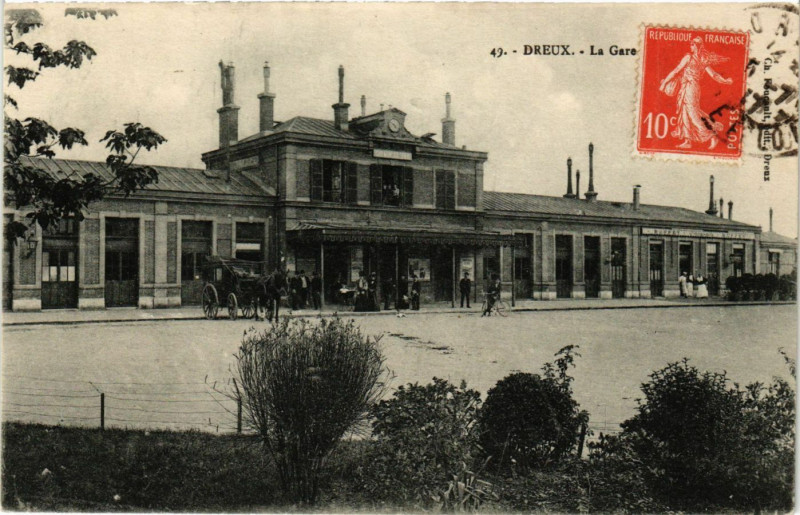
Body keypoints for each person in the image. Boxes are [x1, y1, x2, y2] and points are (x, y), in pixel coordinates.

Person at [659, 36, 733, 150]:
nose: (691, 47)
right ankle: (687, 140)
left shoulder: (691, 58)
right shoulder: (701, 59)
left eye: (692, 45)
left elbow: (677, 70)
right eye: (691, 45)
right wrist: (725, 81)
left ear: (697, 46)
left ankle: (712, 136)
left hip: (690, 87)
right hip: (688, 87)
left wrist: (664, 84)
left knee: (693, 114)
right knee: (685, 112)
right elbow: (713, 75)